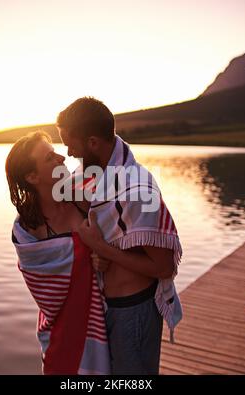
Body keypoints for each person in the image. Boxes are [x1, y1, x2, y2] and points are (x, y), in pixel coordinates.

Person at [56, 97, 183, 375]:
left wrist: (102, 247)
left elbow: (164, 267)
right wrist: (100, 254)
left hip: (134, 311)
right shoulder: (96, 177)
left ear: (92, 142)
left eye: (70, 143)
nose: (67, 152)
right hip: (109, 306)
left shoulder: (138, 188)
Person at [5, 130, 111, 375]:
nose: (61, 159)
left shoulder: (84, 200)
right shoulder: (28, 232)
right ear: (32, 176)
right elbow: (46, 293)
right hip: (61, 336)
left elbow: (116, 244)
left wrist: (104, 254)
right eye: (50, 158)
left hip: (104, 323)